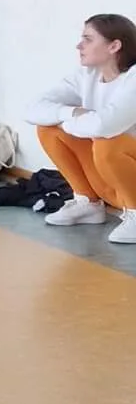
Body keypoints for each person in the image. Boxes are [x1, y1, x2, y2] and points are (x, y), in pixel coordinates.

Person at [27, 15, 136, 244]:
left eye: (88, 39)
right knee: (49, 130)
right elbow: (32, 109)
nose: (79, 45)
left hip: (125, 171)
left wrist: (69, 120)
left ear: (114, 46)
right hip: (111, 182)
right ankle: (88, 203)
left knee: (108, 142)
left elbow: (105, 126)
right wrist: (73, 112)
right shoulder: (87, 75)